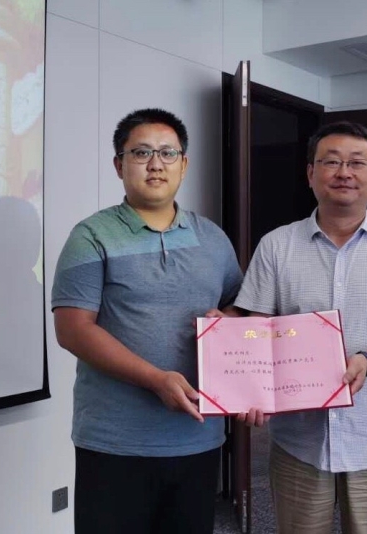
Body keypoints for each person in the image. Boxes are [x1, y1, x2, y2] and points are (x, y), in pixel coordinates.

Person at [234, 120, 367, 534]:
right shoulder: (277, 245)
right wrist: (246, 385)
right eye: (331, 162)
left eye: (357, 162)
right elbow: (256, 330)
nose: (344, 173)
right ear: (310, 173)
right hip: (299, 442)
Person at [50, 108, 244, 534]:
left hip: (199, 436)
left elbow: (239, 307)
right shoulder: (91, 235)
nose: (156, 164)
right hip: (115, 442)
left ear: (184, 164)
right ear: (119, 165)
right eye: (141, 153)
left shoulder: (213, 238)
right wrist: (156, 379)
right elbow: (73, 329)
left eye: (167, 153)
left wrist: (226, 320)